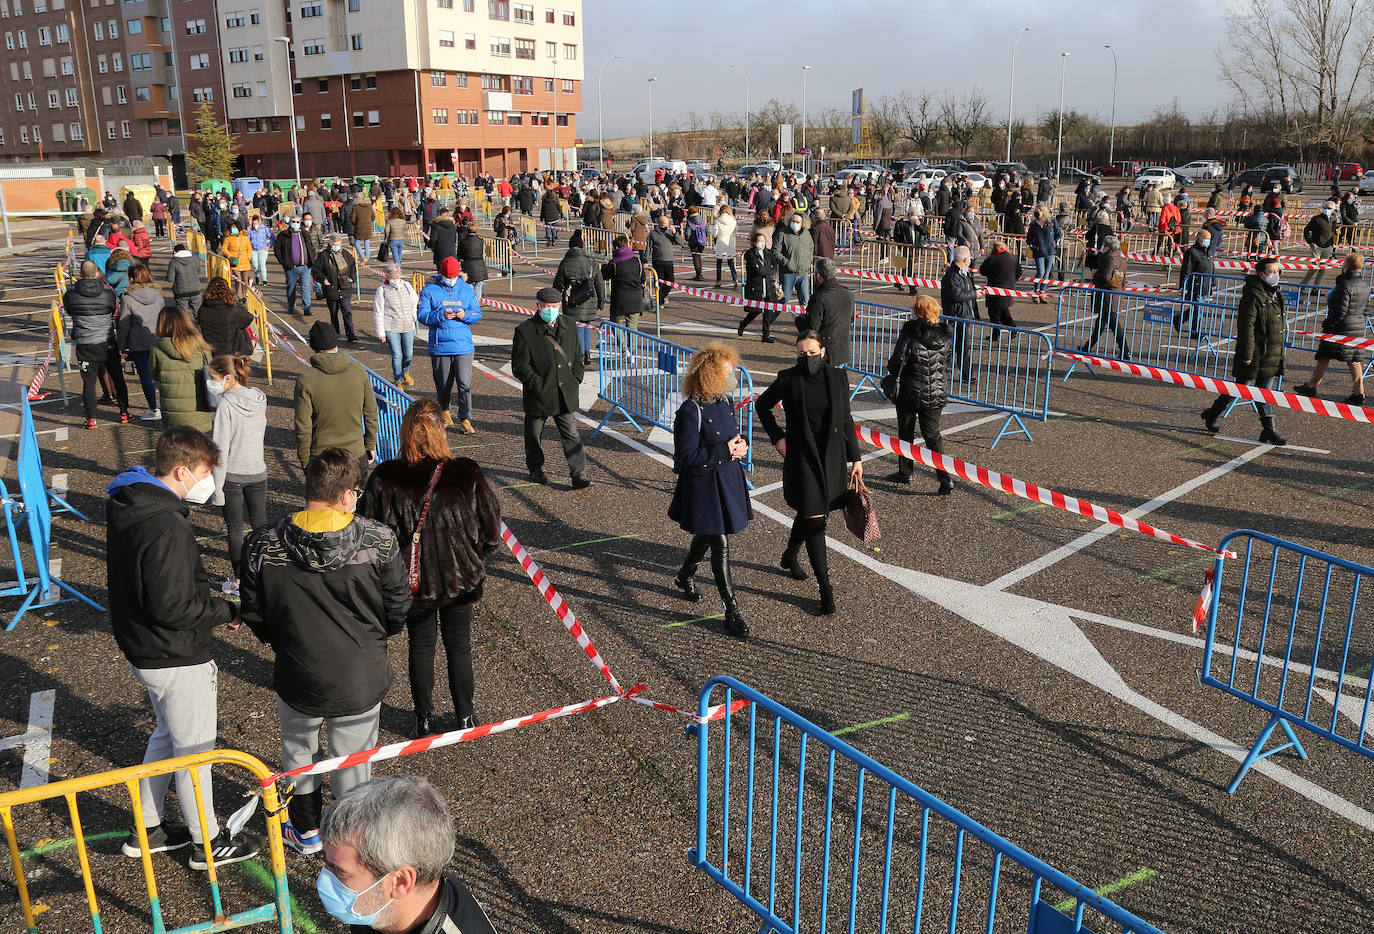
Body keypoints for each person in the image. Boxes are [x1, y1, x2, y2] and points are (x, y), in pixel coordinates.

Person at [240, 448, 412, 855]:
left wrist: (281, 641)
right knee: (353, 758)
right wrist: (374, 637)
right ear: (349, 494)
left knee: (299, 753)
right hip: (360, 672)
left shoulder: (263, 543)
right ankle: (351, 839)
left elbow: (254, 611)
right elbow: (399, 605)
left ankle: (306, 829)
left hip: (299, 670)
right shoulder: (377, 540)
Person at [106, 426, 259, 870]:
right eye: (204, 473)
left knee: (168, 735)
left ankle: (149, 828)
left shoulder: (132, 503)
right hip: (174, 652)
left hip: (143, 646)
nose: (209, 482)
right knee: (196, 751)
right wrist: (227, 611)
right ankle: (207, 841)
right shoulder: (166, 525)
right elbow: (175, 605)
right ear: (181, 470)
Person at [361, 400, 502, 737]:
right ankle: (465, 717)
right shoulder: (466, 472)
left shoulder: (386, 477)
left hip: (411, 581)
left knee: (420, 646)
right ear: (442, 428)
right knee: (459, 645)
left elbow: (367, 531)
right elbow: (492, 531)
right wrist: (474, 557)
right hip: (460, 577)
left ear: (405, 431)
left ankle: (423, 718)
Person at [756, 331, 862, 616]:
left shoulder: (838, 379)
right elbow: (761, 405)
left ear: (823, 351)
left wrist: (856, 459)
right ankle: (826, 589)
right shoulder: (789, 378)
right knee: (815, 519)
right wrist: (778, 438)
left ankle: (790, 554)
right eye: (801, 354)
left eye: (812, 353)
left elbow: (846, 418)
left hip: (831, 458)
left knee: (812, 511)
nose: (807, 358)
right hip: (802, 457)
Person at [315, 775, 498, 932]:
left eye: (340, 872)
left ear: (401, 881)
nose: (324, 878)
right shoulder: (377, 907)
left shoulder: (372, 903)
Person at [667, 344, 751, 638]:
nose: (733, 376)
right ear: (713, 375)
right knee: (721, 543)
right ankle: (732, 610)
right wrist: (724, 450)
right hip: (704, 485)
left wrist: (740, 446)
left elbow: (731, 435)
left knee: (708, 533)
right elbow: (685, 457)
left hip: (726, 479)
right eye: (728, 372)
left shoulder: (724, 401)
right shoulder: (690, 410)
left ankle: (684, 574)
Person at [510, 287, 592, 488]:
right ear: (537, 306)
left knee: (571, 433)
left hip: (564, 392)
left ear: (560, 306)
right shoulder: (525, 331)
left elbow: (577, 356)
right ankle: (536, 470)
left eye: (554, 306)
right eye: (546, 306)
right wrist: (538, 385)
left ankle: (578, 475)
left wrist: (576, 378)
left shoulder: (569, 324)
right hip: (538, 394)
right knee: (534, 435)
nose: (550, 310)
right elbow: (520, 367)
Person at [1201, 258, 1289, 445]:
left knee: (1264, 391)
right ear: (1261, 274)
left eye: (1278, 271)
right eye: (1272, 272)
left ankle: (1268, 429)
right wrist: (1247, 354)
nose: (1276, 275)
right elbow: (1246, 327)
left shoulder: (1276, 294)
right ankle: (1213, 414)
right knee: (1240, 387)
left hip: (1271, 351)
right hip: (1255, 352)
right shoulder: (1252, 296)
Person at [207, 354, 266, 594]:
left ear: (228, 378)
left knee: (235, 529)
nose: (211, 383)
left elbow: (219, 449)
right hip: (258, 471)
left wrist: (217, 490)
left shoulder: (225, 404)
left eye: (214, 378)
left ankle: (240, 580)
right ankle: (264, 572)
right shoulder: (260, 398)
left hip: (232, 475)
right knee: (260, 525)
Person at [884, 295, 954, 494]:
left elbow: (897, 360)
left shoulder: (910, 332)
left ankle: (905, 472)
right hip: (936, 391)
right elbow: (946, 364)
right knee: (933, 435)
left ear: (917, 311)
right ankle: (944, 477)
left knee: (906, 431)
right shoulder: (945, 337)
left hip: (910, 389)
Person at [294, 321, 379, 468]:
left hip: (322, 457)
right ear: (336, 343)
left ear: (313, 347)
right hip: (356, 453)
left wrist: (304, 459)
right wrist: (370, 444)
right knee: (357, 491)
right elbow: (371, 411)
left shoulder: (306, 379)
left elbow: (303, 425)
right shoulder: (358, 370)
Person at [417, 256, 482, 433]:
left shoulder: (467, 290)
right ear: (442, 275)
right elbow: (422, 315)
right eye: (448, 277)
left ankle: (465, 417)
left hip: (463, 346)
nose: (451, 280)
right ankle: (444, 410)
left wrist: (465, 314)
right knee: (443, 384)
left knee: (464, 384)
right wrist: (440, 315)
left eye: (454, 277)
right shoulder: (430, 289)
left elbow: (477, 312)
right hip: (440, 346)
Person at [1294, 252, 1367, 406]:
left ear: (1347, 266)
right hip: (1357, 325)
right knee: (1354, 359)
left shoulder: (1344, 285)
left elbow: (1340, 310)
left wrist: (1328, 323)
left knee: (1324, 355)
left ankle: (1313, 386)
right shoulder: (1363, 284)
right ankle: (1359, 393)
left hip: (1340, 327)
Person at [66, 260, 132, 429]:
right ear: (97, 274)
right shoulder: (108, 293)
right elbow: (115, 312)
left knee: (88, 382)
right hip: (106, 341)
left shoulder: (70, 295)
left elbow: (69, 311)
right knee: (117, 377)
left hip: (85, 343)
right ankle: (124, 412)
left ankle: (91, 419)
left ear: (80, 275)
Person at [152, 306, 214, 432]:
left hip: (172, 408)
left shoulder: (157, 347)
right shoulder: (200, 344)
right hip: (199, 406)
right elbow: (211, 369)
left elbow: (153, 374)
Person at [117, 265, 164, 421]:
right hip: (158, 339)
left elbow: (124, 324)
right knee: (163, 374)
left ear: (131, 279)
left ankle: (154, 408)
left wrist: (121, 346)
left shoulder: (128, 298)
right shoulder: (158, 295)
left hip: (138, 342)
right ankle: (166, 405)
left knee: (145, 376)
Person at [552, 230, 605, 366]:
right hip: (590, 298)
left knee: (579, 328)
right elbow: (599, 283)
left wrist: (554, 301)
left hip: (573, 300)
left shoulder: (565, 262)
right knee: (587, 326)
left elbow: (558, 284)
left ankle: (581, 355)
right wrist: (601, 301)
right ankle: (587, 353)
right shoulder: (592, 262)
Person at [1081, 235, 1131, 361]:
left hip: (1107, 295)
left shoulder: (1108, 258)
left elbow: (1105, 278)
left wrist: (1095, 274)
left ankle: (1126, 351)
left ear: (1107, 247)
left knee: (1114, 326)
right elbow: (1124, 279)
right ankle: (1087, 347)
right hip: (1115, 295)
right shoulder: (1121, 258)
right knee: (1100, 325)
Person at [797, 258, 853, 367]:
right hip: (842, 349)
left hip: (825, 352)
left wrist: (799, 321)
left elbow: (812, 328)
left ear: (818, 276)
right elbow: (851, 319)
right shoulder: (848, 293)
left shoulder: (819, 297)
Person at [373, 262, 420, 388]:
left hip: (408, 325)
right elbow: (378, 312)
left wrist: (413, 316)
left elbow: (414, 300)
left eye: (397, 275)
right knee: (397, 354)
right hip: (391, 326)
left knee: (408, 353)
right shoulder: (382, 290)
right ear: (386, 276)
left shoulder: (406, 285)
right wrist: (381, 333)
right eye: (393, 276)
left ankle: (406, 371)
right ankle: (398, 379)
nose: (396, 279)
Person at [939, 246, 979, 383]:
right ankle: (966, 375)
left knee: (958, 346)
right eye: (969, 258)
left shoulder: (963, 273)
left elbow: (965, 290)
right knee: (960, 347)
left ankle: (959, 372)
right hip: (957, 316)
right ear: (965, 259)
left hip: (964, 314)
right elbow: (957, 295)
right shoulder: (952, 275)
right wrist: (974, 294)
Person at [313, 234, 359, 343]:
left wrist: (352, 278)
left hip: (345, 288)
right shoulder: (323, 255)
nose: (336, 246)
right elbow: (315, 270)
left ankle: (350, 334)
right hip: (331, 289)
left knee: (347, 311)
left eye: (338, 245)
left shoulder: (346, 254)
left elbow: (353, 267)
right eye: (334, 245)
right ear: (330, 244)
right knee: (333, 313)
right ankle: (335, 333)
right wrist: (323, 279)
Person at [738, 232, 781, 343]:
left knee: (768, 311)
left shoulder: (768, 252)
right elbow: (758, 270)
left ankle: (765, 335)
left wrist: (769, 271)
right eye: (759, 241)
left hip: (768, 286)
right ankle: (743, 324)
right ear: (754, 242)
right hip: (755, 286)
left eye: (763, 241)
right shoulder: (750, 254)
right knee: (755, 310)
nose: (762, 243)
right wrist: (768, 271)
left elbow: (775, 266)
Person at [196, 277, 255, 357]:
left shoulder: (202, 310)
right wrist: (236, 304)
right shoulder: (232, 311)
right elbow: (248, 318)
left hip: (210, 350)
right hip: (230, 350)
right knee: (240, 328)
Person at [602, 234, 647, 331]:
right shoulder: (637, 260)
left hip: (620, 299)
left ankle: (623, 346)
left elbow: (605, 276)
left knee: (616, 324)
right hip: (636, 298)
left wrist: (604, 266)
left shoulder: (614, 263)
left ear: (616, 247)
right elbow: (643, 278)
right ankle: (632, 346)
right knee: (633, 327)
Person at [273, 216, 316, 317]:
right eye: (293, 221)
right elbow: (277, 249)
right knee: (291, 287)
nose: (295, 223)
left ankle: (307, 308)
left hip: (305, 266)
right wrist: (284, 262)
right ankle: (291, 306)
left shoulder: (305, 234)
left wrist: (311, 259)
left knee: (306, 287)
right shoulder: (284, 235)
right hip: (291, 267)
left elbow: (310, 247)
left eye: (297, 222)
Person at [979, 241, 1020, 341]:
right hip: (1008, 289)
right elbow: (1019, 272)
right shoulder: (1013, 257)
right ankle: (1009, 330)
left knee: (994, 313)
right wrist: (1012, 281)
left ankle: (1002, 332)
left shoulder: (993, 259)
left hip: (995, 290)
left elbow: (982, 270)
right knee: (1003, 311)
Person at [774, 212, 815, 307]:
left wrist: (809, 261)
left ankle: (804, 321)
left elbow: (811, 248)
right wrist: (787, 262)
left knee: (805, 301)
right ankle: (769, 320)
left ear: (802, 223)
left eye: (797, 222)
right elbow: (775, 251)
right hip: (788, 274)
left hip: (803, 273)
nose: (795, 223)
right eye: (793, 221)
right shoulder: (783, 234)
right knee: (784, 301)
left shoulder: (807, 234)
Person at [645, 213, 680, 306]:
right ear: (660, 224)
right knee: (659, 281)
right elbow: (648, 247)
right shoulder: (653, 233)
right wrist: (645, 260)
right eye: (664, 225)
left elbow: (680, 242)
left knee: (671, 281)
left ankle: (661, 297)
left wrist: (675, 232)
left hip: (669, 261)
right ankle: (660, 301)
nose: (666, 227)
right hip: (657, 261)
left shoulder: (669, 232)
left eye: (667, 225)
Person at [1026, 207, 1059, 303]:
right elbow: (1029, 238)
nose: (1036, 212)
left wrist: (1055, 244)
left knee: (1046, 273)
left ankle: (1042, 292)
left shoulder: (1052, 222)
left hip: (1050, 251)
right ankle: (1036, 292)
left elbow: (1058, 233)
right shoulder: (1033, 224)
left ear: (1043, 212)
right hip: (1038, 252)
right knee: (1040, 272)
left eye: (1038, 211)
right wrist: (1033, 247)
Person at [1302, 201, 1338, 286]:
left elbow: (1333, 231)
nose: (1327, 210)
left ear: (1333, 210)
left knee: (1322, 269)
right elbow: (1306, 230)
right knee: (1314, 268)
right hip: (1317, 246)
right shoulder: (1316, 219)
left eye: (1329, 208)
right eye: (1325, 208)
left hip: (1328, 246)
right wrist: (1310, 241)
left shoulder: (1334, 219)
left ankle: (1316, 287)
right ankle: (1303, 285)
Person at [165, 243, 203, 318]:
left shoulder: (174, 261)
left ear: (175, 252)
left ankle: (187, 329)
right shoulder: (195, 258)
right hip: (195, 289)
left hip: (181, 292)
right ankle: (200, 329)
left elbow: (170, 279)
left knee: (184, 317)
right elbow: (199, 271)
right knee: (199, 315)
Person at [458, 219, 489, 299]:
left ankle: (470, 304)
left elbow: (459, 254)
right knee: (478, 287)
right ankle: (477, 305)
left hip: (468, 265)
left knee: (468, 286)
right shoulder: (480, 241)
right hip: (480, 265)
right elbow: (482, 252)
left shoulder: (463, 241)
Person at [711, 204, 740, 287]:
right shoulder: (733, 220)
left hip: (720, 243)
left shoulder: (718, 221)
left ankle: (719, 281)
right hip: (730, 243)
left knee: (719, 263)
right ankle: (735, 279)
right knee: (731, 263)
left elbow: (714, 233)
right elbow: (736, 230)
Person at [220, 222, 252, 289]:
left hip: (245, 261)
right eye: (232, 228)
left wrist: (248, 257)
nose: (233, 229)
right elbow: (224, 248)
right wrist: (230, 256)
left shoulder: (245, 237)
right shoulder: (228, 238)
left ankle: (244, 295)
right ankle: (239, 296)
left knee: (245, 280)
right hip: (235, 262)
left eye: (235, 227)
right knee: (238, 280)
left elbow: (249, 248)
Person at [246, 214, 273, 288]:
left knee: (262, 264)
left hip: (263, 250)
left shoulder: (264, 229)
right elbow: (247, 240)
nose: (255, 225)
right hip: (253, 250)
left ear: (259, 222)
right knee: (255, 265)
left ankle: (265, 280)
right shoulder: (250, 230)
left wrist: (269, 245)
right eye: (254, 224)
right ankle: (256, 277)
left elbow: (271, 236)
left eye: (256, 223)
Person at [351, 194, 376, 259]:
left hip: (359, 226)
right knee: (367, 243)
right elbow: (373, 217)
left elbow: (353, 219)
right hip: (368, 226)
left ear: (358, 198)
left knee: (357, 243)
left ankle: (362, 256)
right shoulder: (369, 206)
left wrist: (355, 224)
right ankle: (366, 258)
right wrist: (369, 221)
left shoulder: (355, 207)